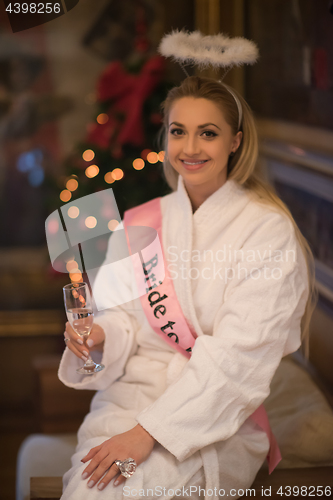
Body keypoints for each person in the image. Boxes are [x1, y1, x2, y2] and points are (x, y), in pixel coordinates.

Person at [58, 67, 316, 500]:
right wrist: (100, 333)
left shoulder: (267, 233)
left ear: (235, 141)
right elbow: (121, 315)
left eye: (208, 133)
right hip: (127, 402)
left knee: (138, 490)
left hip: (214, 419)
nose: (190, 148)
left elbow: (239, 361)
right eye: (179, 131)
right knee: (90, 489)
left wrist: (147, 435)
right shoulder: (141, 221)